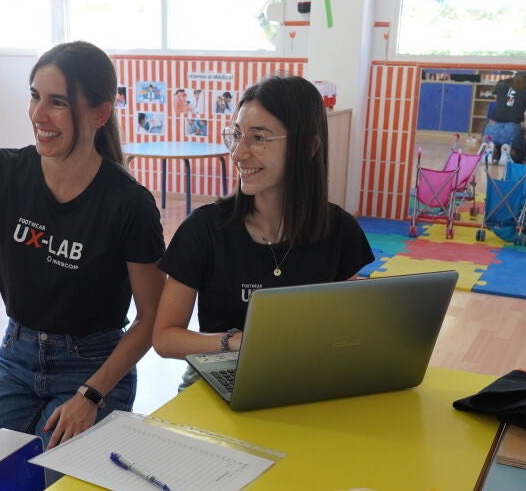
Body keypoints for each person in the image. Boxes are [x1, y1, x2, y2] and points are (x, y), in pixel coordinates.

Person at [0, 42, 166, 464]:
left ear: (99, 114)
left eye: (57, 102)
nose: (38, 114)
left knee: (48, 488)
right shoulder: (5, 171)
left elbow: (151, 318)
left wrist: (91, 395)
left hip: (93, 367)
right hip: (16, 358)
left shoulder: (128, 203)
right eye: (35, 96)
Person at [152, 75, 374, 385]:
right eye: (236, 135)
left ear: (308, 146)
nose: (238, 153)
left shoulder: (339, 230)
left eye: (258, 138)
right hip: (218, 375)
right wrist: (234, 343)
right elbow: (164, 338)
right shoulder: (204, 228)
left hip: (305, 376)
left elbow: (349, 329)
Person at [484, 72, 526, 163]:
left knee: (498, 144)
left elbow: (499, 104)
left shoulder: (501, 84)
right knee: (521, 153)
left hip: (492, 127)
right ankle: (509, 151)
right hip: (512, 128)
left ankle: (493, 149)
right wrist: (524, 133)